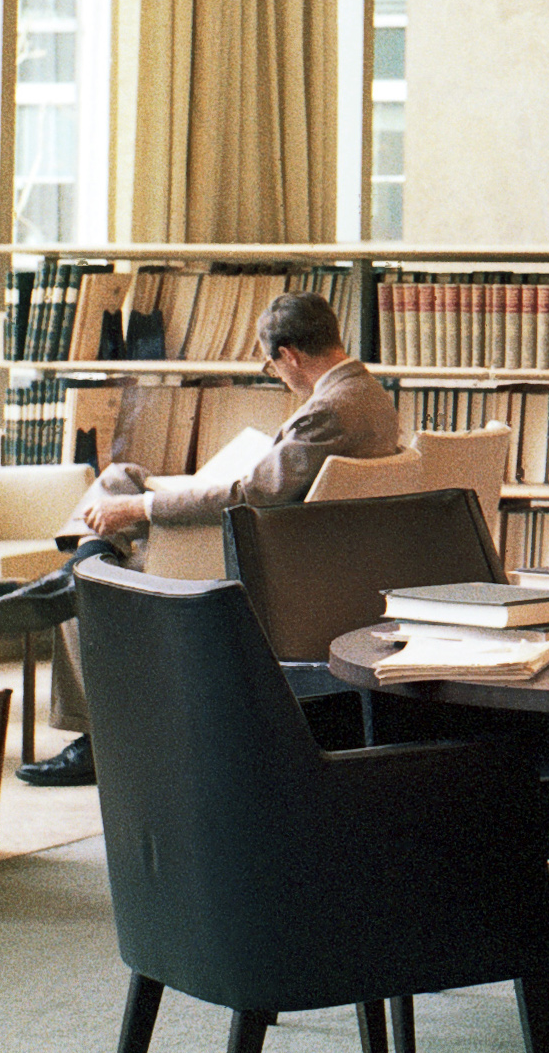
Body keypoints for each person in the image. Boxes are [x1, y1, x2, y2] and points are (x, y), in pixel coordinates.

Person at [22, 290, 405, 785]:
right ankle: (82, 559)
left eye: (272, 368)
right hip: (316, 553)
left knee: (98, 585)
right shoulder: (370, 395)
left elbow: (252, 495)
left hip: (263, 563)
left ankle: (94, 726)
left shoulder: (327, 410)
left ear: (287, 355)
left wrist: (142, 508)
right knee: (122, 476)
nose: (280, 377)